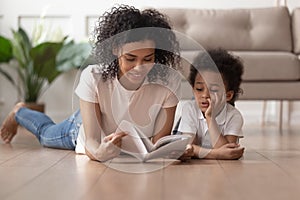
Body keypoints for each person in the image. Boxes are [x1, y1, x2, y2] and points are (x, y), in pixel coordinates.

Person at [0, 5, 182, 162]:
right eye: (130, 59)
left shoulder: (169, 82)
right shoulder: (94, 77)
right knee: (46, 134)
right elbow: (92, 143)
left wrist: (171, 152)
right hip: (84, 126)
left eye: (148, 59)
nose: (139, 67)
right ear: (116, 50)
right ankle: (20, 111)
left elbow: (159, 144)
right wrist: (100, 152)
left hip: (119, 135)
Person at [178, 49, 245, 160]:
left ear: (228, 95)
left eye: (213, 90)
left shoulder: (234, 116)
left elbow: (227, 151)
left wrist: (210, 118)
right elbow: (188, 149)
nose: (205, 95)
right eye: (199, 89)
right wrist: (216, 154)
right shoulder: (189, 109)